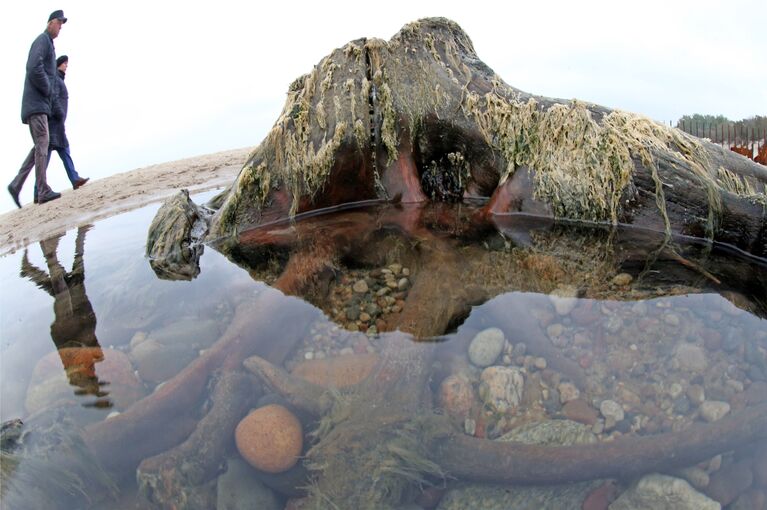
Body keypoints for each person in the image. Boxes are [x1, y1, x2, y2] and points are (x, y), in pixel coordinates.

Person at [7, 10, 67, 208]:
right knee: (43, 143)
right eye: (59, 22)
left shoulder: (48, 43)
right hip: (36, 104)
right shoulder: (42, 40)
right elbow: (33, 67)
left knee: (39, 145)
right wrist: (48, 89)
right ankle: (42, 190)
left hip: (38, 104)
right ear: (50, 22)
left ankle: (17, 184)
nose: (60, 26)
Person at [47, 55, 89, 193]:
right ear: (59, 64)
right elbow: (53, 98)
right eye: (65, 63)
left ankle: (74, 178)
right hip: (54, 123)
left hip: (57, 124)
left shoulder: (58, 79)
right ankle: (38, 189)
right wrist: (59, 114)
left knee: (64, 150)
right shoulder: (56, 80)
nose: (67, 66)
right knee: (45, 157)